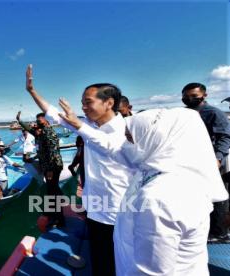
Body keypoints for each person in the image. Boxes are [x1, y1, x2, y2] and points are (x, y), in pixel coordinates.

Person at [59, 105, 228, 275]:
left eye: (130, 138)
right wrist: (78, 124)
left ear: (154, 140)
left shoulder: (161, 198)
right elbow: (110, 147)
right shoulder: (162, 171)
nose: (125, 144)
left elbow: (151, 272)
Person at [25, 65, 132, 275]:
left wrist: (79, 126)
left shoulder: (128, 127)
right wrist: (31, 91)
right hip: (95, 207)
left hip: (121, 208)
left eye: (88, 102)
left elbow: (110, 146)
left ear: (109, 103)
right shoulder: (89, 125)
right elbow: (53, 114)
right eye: (82, 103)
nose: (83, 107)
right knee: (101, 259)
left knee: (122, 260)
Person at [182, 82, 230, 243]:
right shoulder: (184, 113)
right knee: (196, 195)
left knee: (216, 195)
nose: (189, 99)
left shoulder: (214, 113)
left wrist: (218, 158)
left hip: (212, 160)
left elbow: (224, 137)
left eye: (194, 96)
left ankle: (220, 232)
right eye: (186, 96)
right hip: (190, 160)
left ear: (204, 95)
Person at [17, 110, 65, 227]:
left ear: (46, 121)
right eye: (36, 121)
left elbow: (52, 152)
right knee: (51, 190)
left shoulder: (48, 133)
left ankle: (59, 218)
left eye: (39, 121)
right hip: (48, 165)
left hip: (53, 166)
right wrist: (20, 120)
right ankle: (51, 211)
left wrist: (49, 169)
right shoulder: (40, 133)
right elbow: (29, 129)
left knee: (52, 191)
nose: (36, 123)